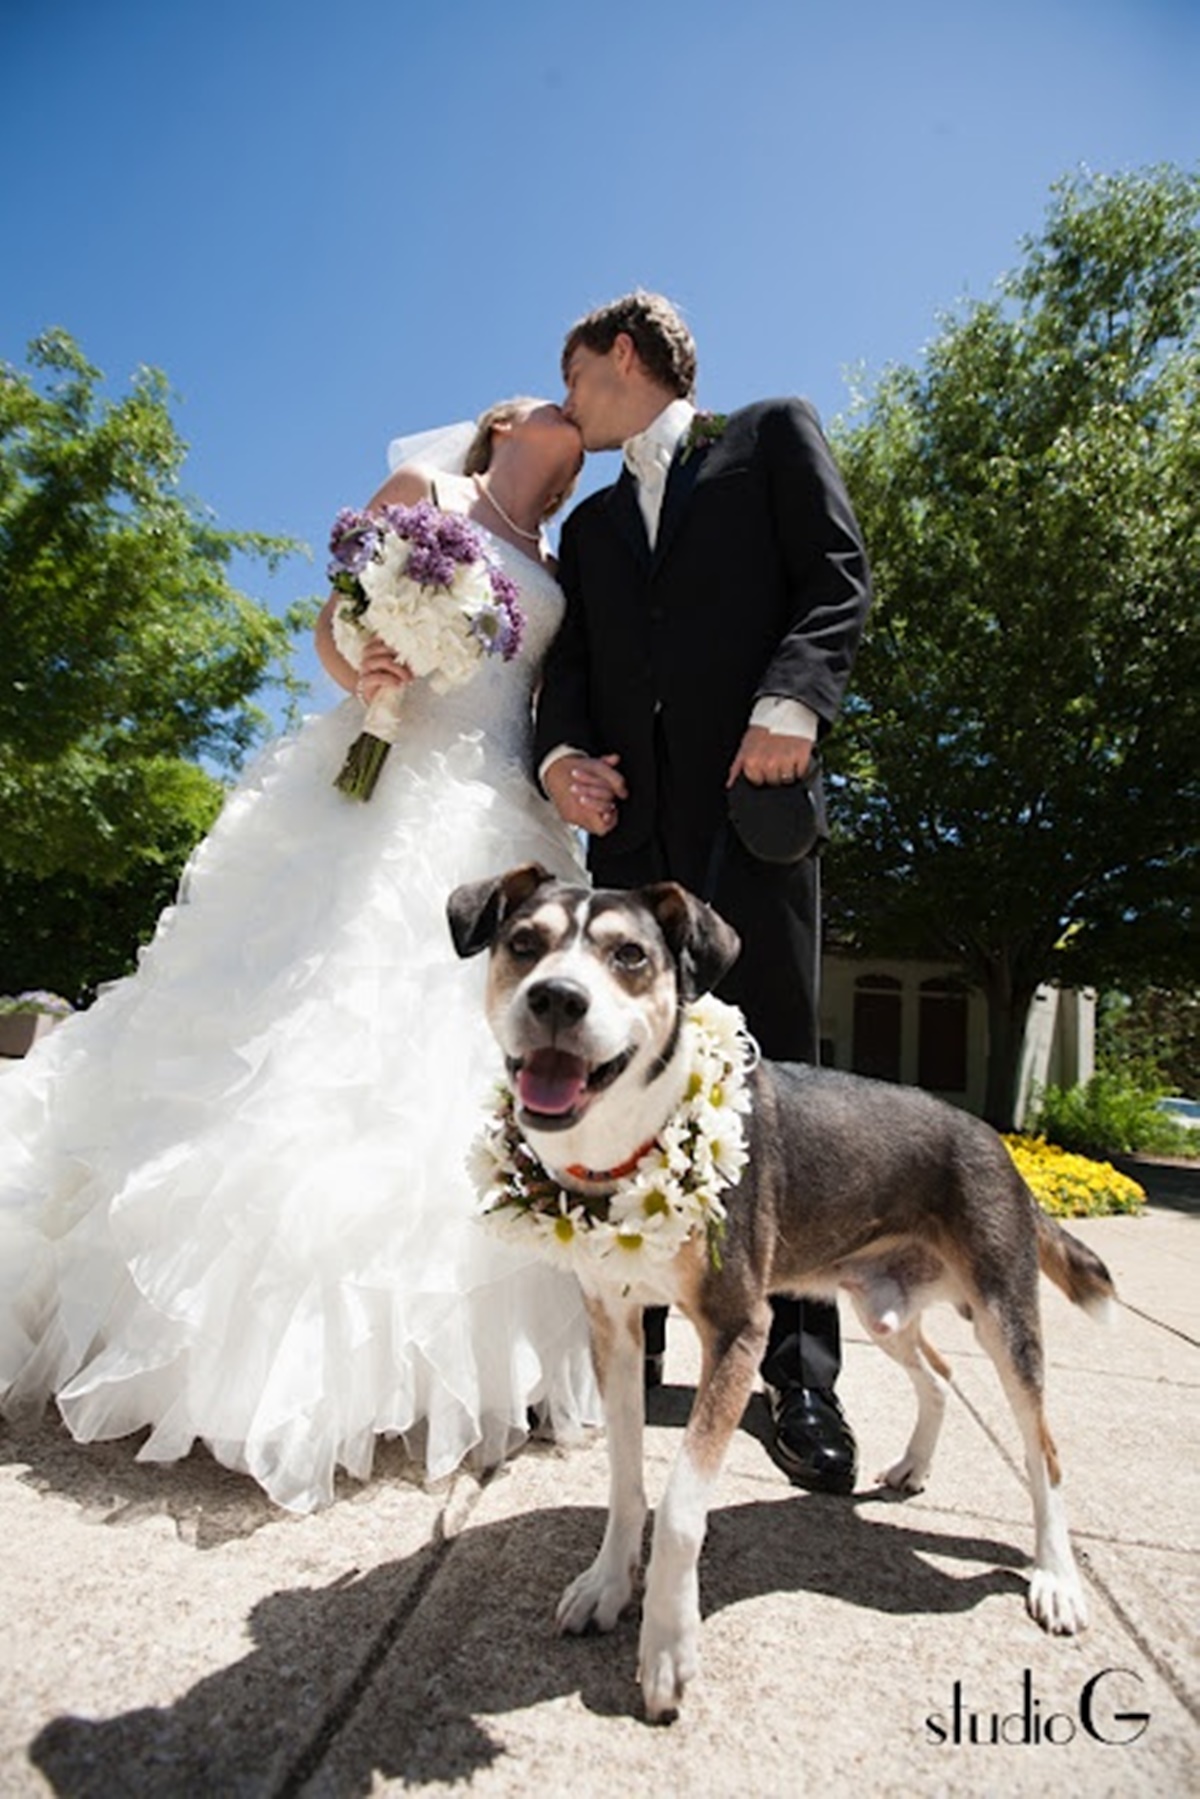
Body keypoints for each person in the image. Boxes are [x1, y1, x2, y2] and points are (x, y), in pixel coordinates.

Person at [0, 397, 601, 1514]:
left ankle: (433, 1368)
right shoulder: (431, 500)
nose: (563, 412)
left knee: (456, 1061)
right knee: (311, 1021)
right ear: (504, 424)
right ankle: (228, 1356)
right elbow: (332, 622)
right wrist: (364, 667)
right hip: (384, 778)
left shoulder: (558, 555)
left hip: (500, 809)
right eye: (546, 399)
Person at [535, 292, 872, 1495]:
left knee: (773, 1083)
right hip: (636, 853)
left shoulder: (772, 434)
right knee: (625, 1086)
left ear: (624, 356)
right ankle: (644, 1339)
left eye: (574, 376)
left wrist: (793, 703)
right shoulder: (587, 532)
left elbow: (838, 575)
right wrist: (559, 760)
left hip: (754, 814)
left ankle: (801, 1380)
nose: (568, 400)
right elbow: (570, 671)